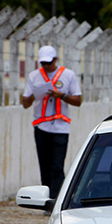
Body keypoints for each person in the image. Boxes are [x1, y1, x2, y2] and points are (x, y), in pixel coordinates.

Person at [21, 45, 83, 199]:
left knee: (57, 166)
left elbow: (78, 100)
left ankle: (56, 200)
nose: (46, 66)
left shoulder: (68, 75)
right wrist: (35, 95)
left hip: (61, 128)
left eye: (49, 63)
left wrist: (61, 95)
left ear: (55, 59)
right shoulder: (34, 76)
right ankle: (46, 199)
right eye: (43, 63)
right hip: (41, 127)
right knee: (45, 166)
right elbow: (25, 103)